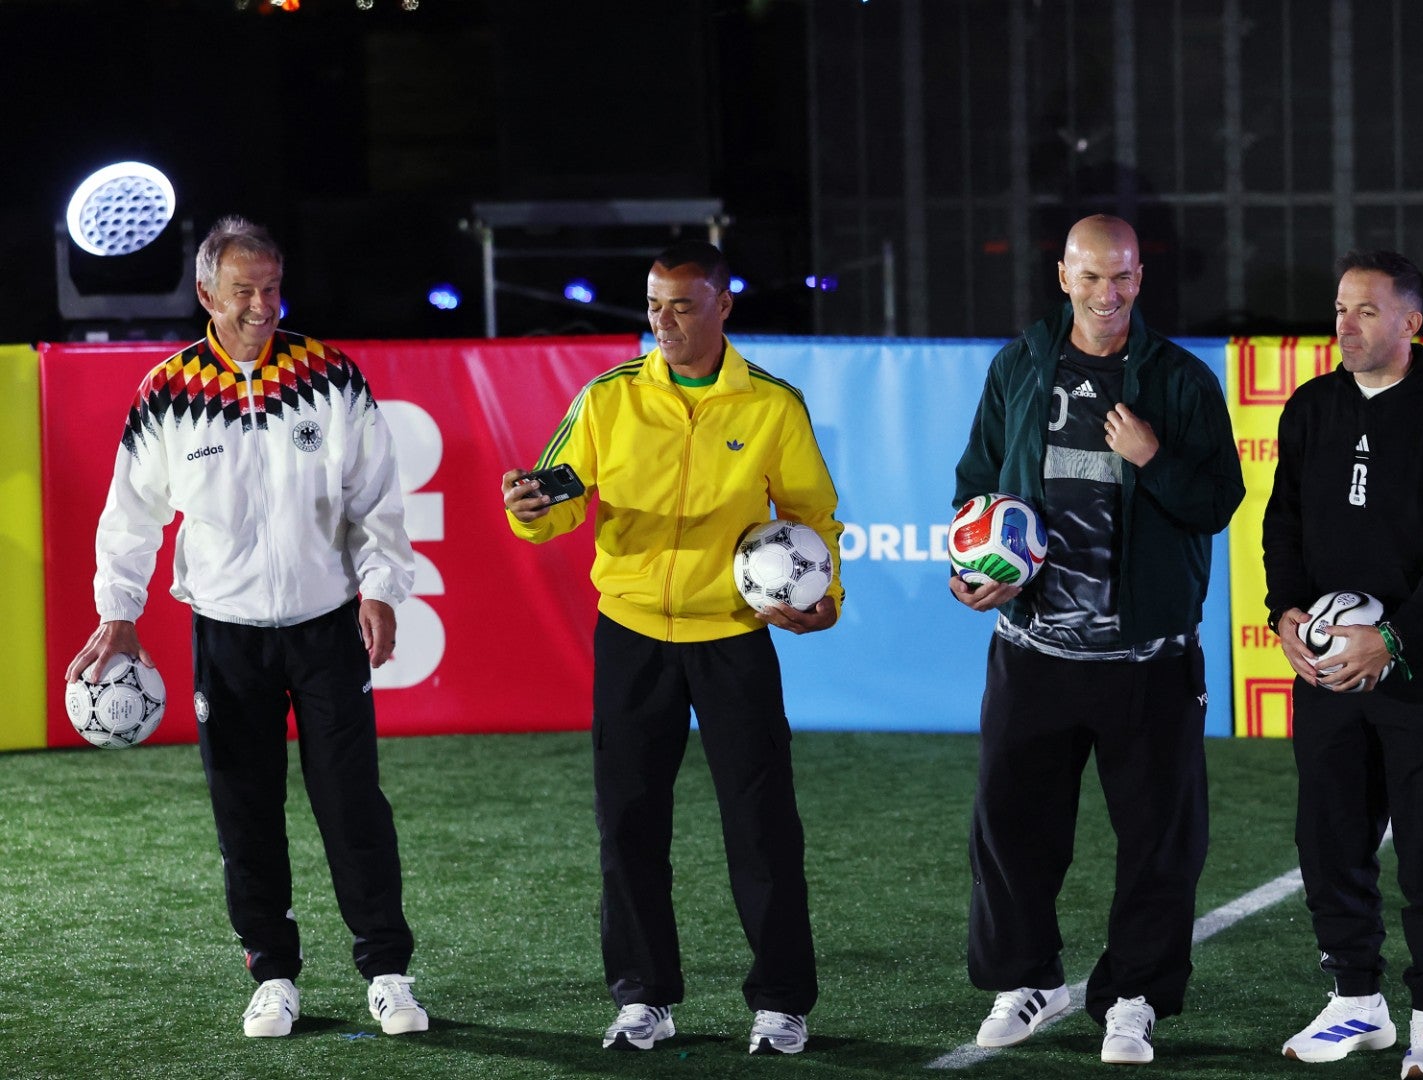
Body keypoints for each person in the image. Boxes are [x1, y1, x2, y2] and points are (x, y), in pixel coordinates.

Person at [67, 216, 428, 1040]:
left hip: (328, 624)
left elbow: (377, 497)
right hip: (226, 637)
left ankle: (388, 971)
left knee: (353, 804)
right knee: (246, 809)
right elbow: (130, 517)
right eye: (244, 291)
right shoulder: (167, 391)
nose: (262, 306)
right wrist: (117, 612)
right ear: (206, 293)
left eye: (271, 288)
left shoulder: (329, 374)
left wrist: (380, 588)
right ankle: (272, 974)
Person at [503, 240, 842, 1056]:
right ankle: (643, 998)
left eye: (682, 306)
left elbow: (812, 515)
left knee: (762, 828)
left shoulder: (772, 405)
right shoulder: (608, 397)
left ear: (724, 305)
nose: (664, 322)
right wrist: (525, 505)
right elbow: (555, 500)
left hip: (732, 637)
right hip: (630, 636)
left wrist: (825, 598)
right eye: (654, 305)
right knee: (627, 825)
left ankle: (782, 1003)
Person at [949, 214, 1243, 1065]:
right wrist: (969, 573)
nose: (1107, 295)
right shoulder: (1019, 367)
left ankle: (1134, 999)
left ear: (1140, 279)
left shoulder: (1179, 381)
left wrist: (1153, 455)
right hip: (1033, 652)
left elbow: (1217, 501)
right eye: (1091, 277)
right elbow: (975, 486)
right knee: (1011, 827)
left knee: (1159, 841)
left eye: (1122, 278)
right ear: (1063, 276)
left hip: (1146, 661)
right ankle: (1027, 980)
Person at [1261, 250, 1423, 1079]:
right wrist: (1284, 612)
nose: (1346, 326)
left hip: (1418, 666)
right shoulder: (1311, 407)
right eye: (1338, 309)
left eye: (1365, 311)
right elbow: (1280, 521)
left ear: (1410, 322)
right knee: (1329, 836)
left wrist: (1391, 639)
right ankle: (1355, 1002)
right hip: (1324, 664)